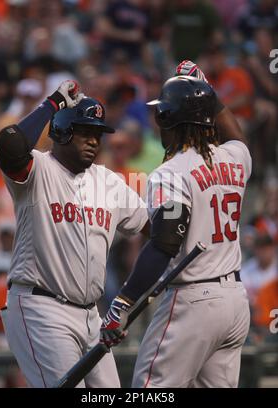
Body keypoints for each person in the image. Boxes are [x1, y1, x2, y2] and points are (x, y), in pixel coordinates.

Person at [100, 63, 252, 387]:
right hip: (235, 303)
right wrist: (207, 92)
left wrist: (125, 300)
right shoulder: (235, 157)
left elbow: (165, 243)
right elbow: (237, 135)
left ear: (169, 119)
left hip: (192, 300)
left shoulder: (171, 172)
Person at [0, 80, 148, 388]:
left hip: (92, 314)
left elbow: (154, 229)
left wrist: (123, 305)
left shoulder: (108, 180)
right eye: (85, 132)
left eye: (98, 134)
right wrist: (53, 103)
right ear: (62, 131)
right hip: (41, 307)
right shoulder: (38, 169)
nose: (94, 140)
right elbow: (10, 144)